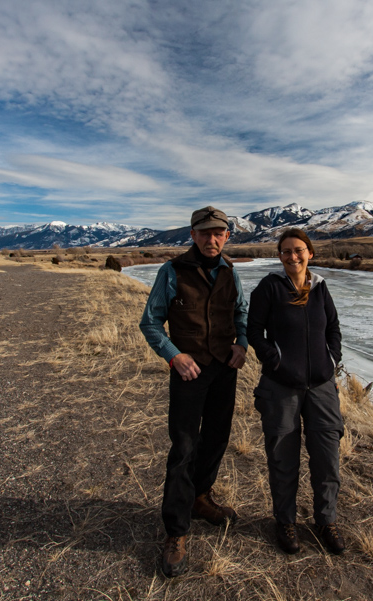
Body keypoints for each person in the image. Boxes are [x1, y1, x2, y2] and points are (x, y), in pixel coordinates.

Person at [139, 205, 249, 577]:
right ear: (192, 235)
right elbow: (150, 322)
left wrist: (242, 343)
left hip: (223, 369)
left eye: (218, 233)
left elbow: (241, 315)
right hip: (188, 372)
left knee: (217, 439)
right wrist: (174, 356)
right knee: (184, 447)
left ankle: (201, 498)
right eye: (204, 233)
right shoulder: (172, 271)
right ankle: (176, 530)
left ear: (227, 236)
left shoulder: (232, 272)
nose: (212, 239)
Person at [247, 228, 346, 555]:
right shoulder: (270, 287)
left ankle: (326, 520)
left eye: (299, 250)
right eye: (286, 251)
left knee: (327, 457)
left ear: (310, 253)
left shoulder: (320, 288)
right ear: (280, 256)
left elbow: (333, 327)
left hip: (321, 386)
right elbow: (253, 331)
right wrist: (274, 360)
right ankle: (285, 521)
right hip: (281, 387)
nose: (293, 256)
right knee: (282, 458)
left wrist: (331, 359)